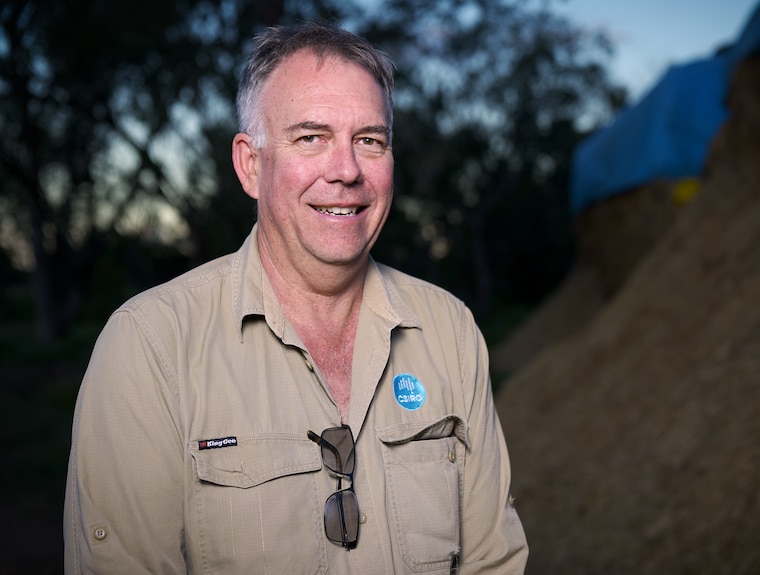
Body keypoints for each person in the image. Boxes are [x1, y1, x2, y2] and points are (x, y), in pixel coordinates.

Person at [63, 21, 528, 574]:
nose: (347, 171)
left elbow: (492, 562)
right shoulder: (149, 346)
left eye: (369, 141)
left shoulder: (449, 330)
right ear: (251, 165)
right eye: (312, 137)